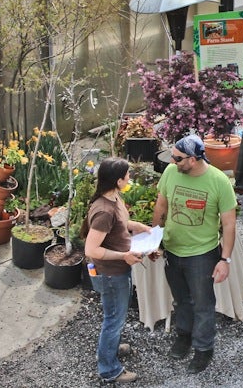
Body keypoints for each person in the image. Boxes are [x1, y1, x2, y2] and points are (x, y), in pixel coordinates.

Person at [152, 134, 238, 375]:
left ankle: (203, 348)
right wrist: (155, 240)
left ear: (193, 159)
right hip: (172, 249)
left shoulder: (218, 181)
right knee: (180, 300)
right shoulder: (171, 172)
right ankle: (184, 336)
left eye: (178, 158)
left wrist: (225, 259)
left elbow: (229, 224)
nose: (172, 161)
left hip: (202, 254)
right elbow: (161, 205)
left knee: (203, 303)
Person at [83, 157, 149, 384]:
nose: (130, 178)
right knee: (114, 319)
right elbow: (91, 249)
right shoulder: (103, 211)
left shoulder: (113, 197)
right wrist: (124, 256)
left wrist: (137, 227)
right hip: (111, 274)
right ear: (118, 180)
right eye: (127, 175)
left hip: (119, 270)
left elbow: (120, 226)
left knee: (115, 315)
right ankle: (109, 369)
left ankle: (110, 347)